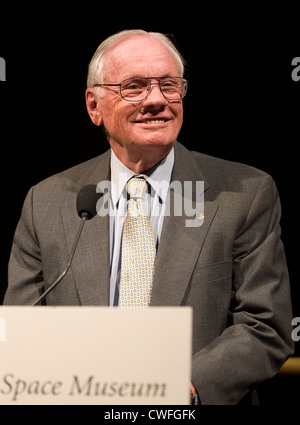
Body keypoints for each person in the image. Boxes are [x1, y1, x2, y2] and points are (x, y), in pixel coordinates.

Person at [3, 29, 294, 404]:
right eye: (135, 87)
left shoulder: (246, 194)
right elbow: (24, 331)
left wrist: (176, 386)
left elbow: (265, 326)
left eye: (169, 85)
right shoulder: (46, 202)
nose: (156, 100)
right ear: (94, 106)